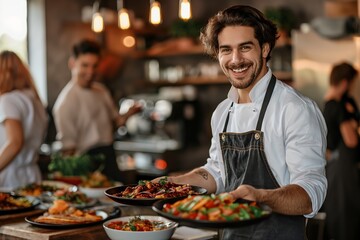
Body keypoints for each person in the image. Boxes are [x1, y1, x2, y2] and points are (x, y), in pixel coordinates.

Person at [154, 5, 327, 239]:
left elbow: (311, 193)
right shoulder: (223, 112)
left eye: (245, 48)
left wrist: (261, 197)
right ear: (218, 54)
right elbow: (217, 172)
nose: (235, 60)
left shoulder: (295, 108)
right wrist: (171, 183)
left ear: (264, 49)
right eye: (226, 50)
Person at [52, 39, 141, 182]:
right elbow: (68, 150)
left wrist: (130, 113)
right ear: (72, 63)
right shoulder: (65, 103)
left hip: (109, 157)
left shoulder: (101, 90)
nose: (90, 72)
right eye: (85, 65)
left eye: (94, 66)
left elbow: (115, 123)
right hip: (86, 164)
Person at [322, 62, 360, 240]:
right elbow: (351, 140)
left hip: (337, 167)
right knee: (345, 215)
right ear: (345, 82)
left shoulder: (336, 103)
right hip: (343, 170)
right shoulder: (337, 106)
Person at [0, 51, 48, 190]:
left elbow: (15, 142)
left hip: (12, 179)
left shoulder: (8, 100)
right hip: (32, 174)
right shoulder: (34, 99)